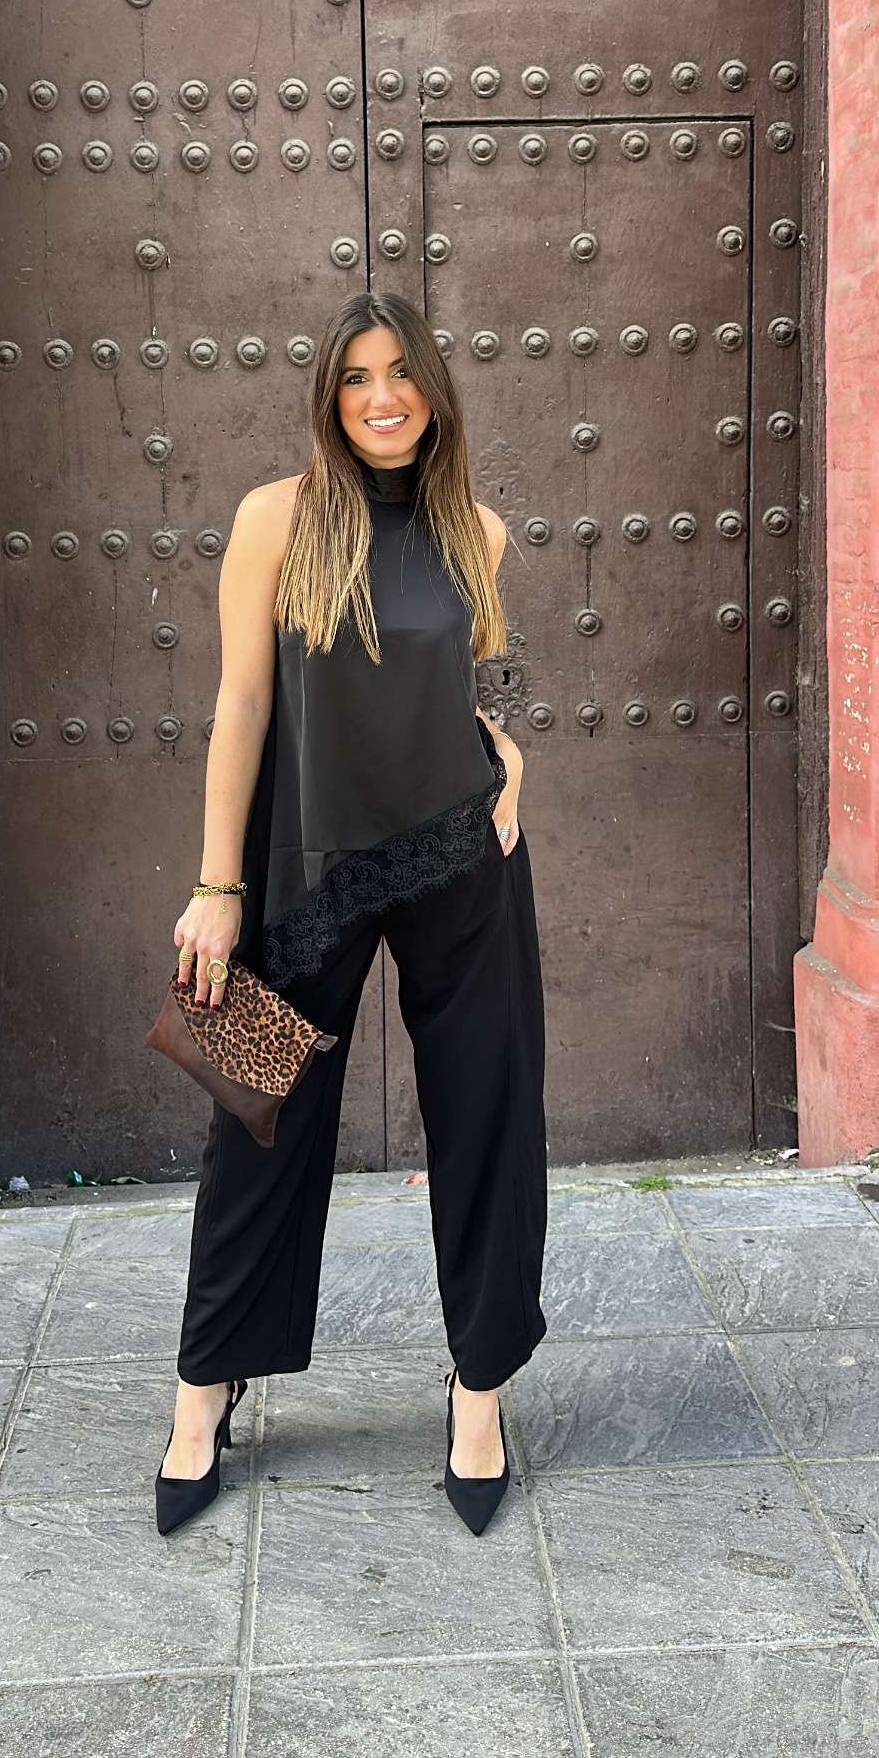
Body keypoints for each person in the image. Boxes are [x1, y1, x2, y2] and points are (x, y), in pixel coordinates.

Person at [156, 290, 547, 1538]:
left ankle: (478, 1390)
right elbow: (244, 705)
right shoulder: (275, 517)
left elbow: (457, 689)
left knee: (488, 1113)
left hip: (458, 860)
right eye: (356, 378)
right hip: (297, 865)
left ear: (434, 385)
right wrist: (217, 886)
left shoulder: (479, 529)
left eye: (400, 373)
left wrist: (507, 759)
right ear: (330, 397)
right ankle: (205, 1390)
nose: (383, 397)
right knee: (250, 1124)